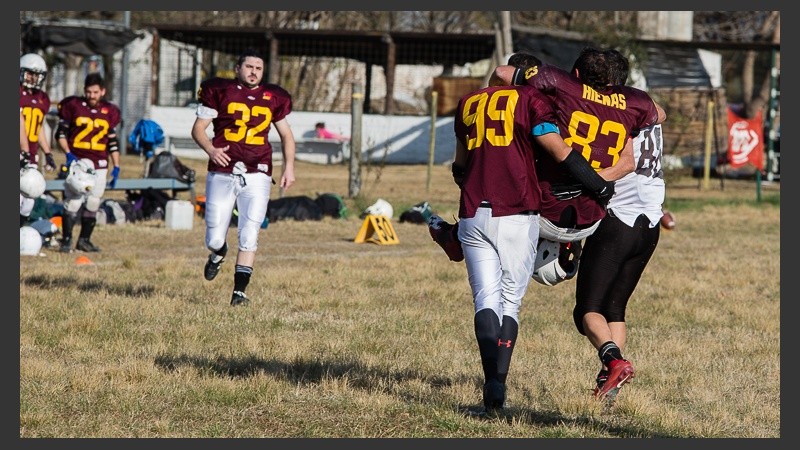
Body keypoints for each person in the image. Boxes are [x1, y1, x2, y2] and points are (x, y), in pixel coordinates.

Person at [451, 72, 616, 415]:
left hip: (473, 210)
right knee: (510, 302)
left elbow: (459, 168)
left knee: (485, 298)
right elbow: (554, 147)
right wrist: (597, 185)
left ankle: (491, 385)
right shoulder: (530, 99)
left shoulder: (469, 101)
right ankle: (498, 381)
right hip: (516, 210)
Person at [572, 51, 667, 404]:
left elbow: (624, 164)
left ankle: (614, 361)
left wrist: (582, 180)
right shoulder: (643, 105)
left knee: (587, 310)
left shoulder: (618, 108)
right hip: (650, 223)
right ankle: (609, 381)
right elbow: (660, 113)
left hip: (620, 219)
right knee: (614, 308)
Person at [191, 48, 297, 307]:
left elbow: (286, 135)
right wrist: (211, 150)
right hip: (222, 170)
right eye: (249, 67)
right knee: (214, 239)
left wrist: (289, 167)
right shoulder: (219, 90)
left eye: (258, 68)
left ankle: (239, 293)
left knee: (249, 233)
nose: (253, 72)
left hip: (258, 171)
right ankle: (219, 253)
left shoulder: (274, 96)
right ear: (237, 69)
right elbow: (198, 129)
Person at [56, 72, 122, 253]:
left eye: (95, 92)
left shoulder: (110, 111)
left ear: (103, 91)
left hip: (100, 163)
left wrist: (116, 166)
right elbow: (60, 134)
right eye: (88, 92)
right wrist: (68, 154)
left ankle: (84, 240)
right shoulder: (74, 105)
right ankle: (66, 240)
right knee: (74, 201)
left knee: (93, 201)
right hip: (79, 161)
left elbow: (113, 142)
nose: (91, 96)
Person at [20, 53, 57, 173]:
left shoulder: (42, 98)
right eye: (30, 73)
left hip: (31, 154)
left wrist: (47, 153)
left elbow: (38, 126)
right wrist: (24, 151)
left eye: (36, 75)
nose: (33, 78)